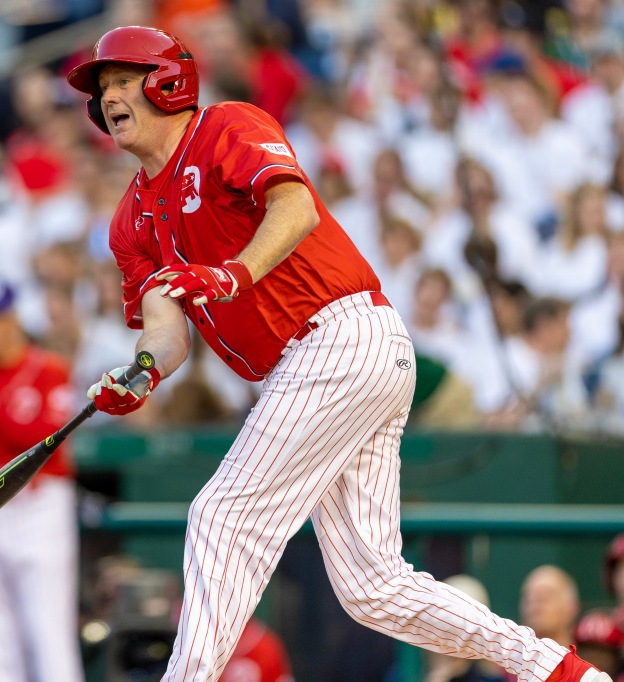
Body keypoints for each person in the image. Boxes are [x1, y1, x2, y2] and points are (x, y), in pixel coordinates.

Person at [65, 25, 612, 682]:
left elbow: (294, 207)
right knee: (371, 586)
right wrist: (145, 370)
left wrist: (232, 273)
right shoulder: (130, 217)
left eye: (124, 79)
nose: (111, 97)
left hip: (337, 337)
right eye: (104, 88)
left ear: (167, 81)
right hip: (317, 367)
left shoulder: (225, 127)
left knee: (221, 514)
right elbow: (166, 324)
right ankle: (554, 668)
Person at [0, 274, 85, 682]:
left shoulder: (47, 369)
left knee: (46, 630)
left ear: (12, 318)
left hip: (38, 507)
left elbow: (50, 445)